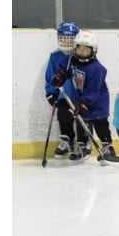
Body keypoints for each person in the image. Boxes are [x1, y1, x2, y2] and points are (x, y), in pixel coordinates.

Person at [50, 30, 115, 161]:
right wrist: (60, 75)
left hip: (97, 102)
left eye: (86, 50)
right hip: (80, 99)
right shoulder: (71, 61)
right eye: (79, 49)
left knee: (100, 125)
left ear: (93, 50)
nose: (82, 52)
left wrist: (84, 103)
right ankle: (82, 146)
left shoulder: (97, 69)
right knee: (81, 123)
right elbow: (64, 69)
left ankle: (107, 147)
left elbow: (93, 90)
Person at [44, 21, 80, 158]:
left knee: (84, 119)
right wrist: (50, 93)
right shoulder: (55, 57)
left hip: (80, 95)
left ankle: (84, 143)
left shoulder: (82, 53)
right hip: (63, 96)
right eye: (64, 38)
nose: (66, 42)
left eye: (70, 38)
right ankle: (67, 141)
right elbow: (50, 76)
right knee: (63, 117)